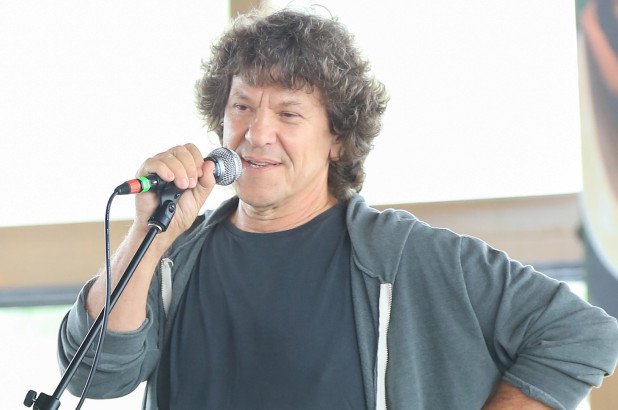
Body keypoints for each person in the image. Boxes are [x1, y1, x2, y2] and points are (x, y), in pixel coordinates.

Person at [58, 8, 618, 410]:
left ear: (338, 140)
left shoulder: (405, 255)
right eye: (242, 107)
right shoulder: (172, 256)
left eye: (289, 114)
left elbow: (584, 334)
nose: (256, 133)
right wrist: (149, 234)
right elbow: (93, 376)